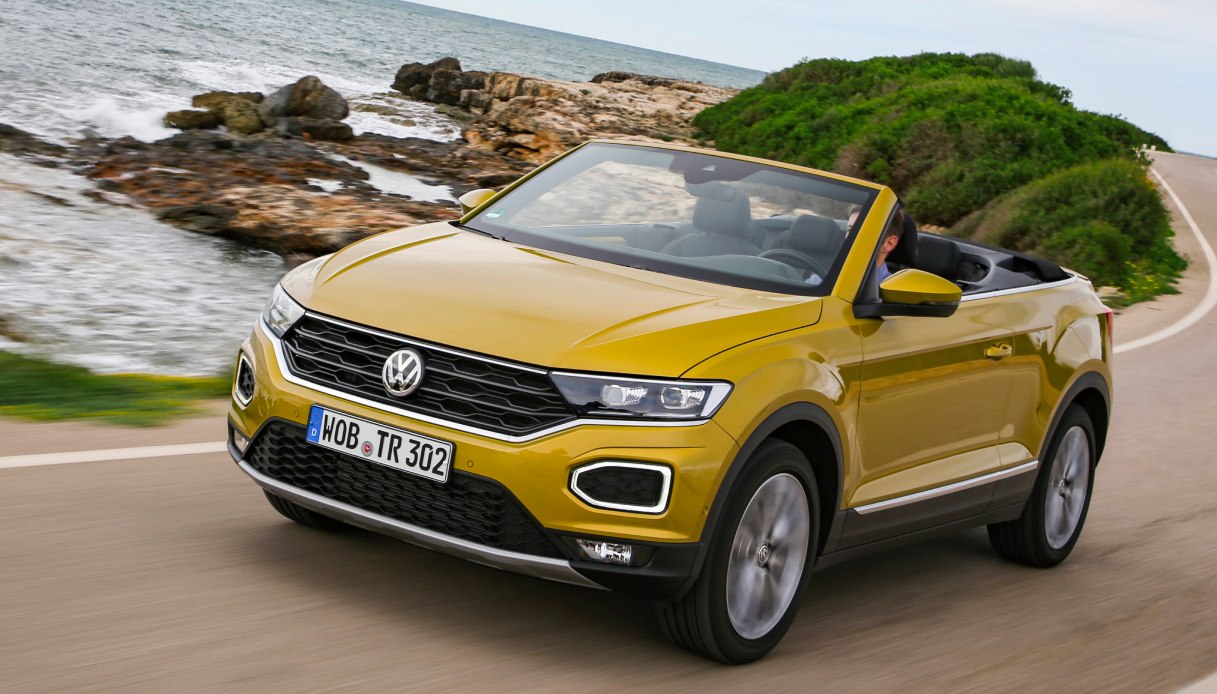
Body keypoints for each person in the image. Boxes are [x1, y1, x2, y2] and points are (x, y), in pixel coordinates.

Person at [873, 208, 906, 282]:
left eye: (864, 232)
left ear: (889, 243)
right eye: (850, 229)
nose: (851, 237)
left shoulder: (888, 288)